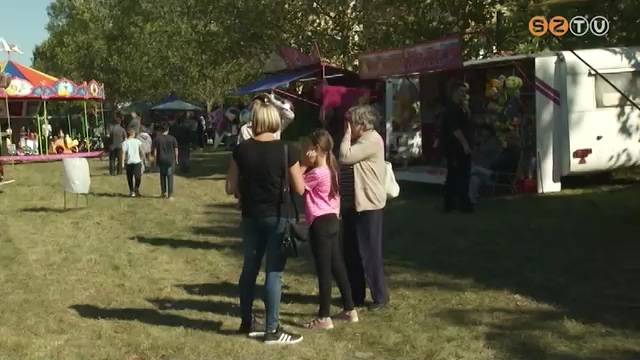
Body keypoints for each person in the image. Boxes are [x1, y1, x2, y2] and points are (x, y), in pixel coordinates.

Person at [225, 93, 305, 345]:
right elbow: (300, 188)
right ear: (275, 120)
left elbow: (230, 187)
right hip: (278, 215)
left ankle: (246, 321)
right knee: (274, 272)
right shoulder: (287, 149)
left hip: (250, 215)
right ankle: (272, 328)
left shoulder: (241, 150)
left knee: (249, 268)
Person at [301, 129, 358, 330]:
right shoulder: (332, 169)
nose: (306, 150)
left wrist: (303, 165)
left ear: (316, 149)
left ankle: (324, 316)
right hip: (333, 221)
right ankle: (350, 309)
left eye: (309, 147)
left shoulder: (316, 173)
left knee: (324, 271)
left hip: (320, 224)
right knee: (338, 266)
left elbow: (297, 186)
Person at [339, 105, 389, 312]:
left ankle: (380, 297)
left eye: (350, 122)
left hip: (368, 205)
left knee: (370, 252)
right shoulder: (359, 141)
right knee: (351, 252)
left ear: (361, 124)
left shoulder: (372, 139)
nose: (347, 126)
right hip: (351, 205)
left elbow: (344, 157)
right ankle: (355, 295)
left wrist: (345, 136)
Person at [442, 81, 474, 213]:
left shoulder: (462, 107)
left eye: (465, 92)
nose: (463, 94)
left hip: (462, 146)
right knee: (456, 176)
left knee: (462, 175)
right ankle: (454, 204)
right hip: (455, 148)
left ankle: (459, 203)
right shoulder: (451, 108)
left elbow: (467, 122)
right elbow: (455, 130)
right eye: (461, 92)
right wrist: (465, 145)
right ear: (455, 92)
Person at [469, 125, 502, 205]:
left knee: (474, 169)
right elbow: (473, 154)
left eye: (484, 131)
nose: (482, 132)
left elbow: (484, 150)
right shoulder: (482, 141)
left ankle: (489, 173)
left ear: (489, 132)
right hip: (481, 172)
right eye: (482, 131)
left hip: (489, 169)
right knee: (473, 179)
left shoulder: (493, 141)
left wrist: (479, 143)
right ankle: (473, 200)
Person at [153, 122, 179, 199]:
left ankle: (163, 192)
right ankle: (170, 195)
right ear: (168, 129)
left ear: (161, 130)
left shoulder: (157, 139)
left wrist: (155, 161)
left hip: (161, 159)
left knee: (162, 176)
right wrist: (176, 159)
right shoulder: (173, 138)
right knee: (170, 177)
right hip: (170, 160)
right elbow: (176, 150)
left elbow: (155, 152)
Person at [121, 128, 144, 197]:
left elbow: (123, 153)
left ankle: (132, 191)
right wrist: (143, 158)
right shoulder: (138, 141)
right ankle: (136, 189)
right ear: (133, 134)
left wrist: (122, 163)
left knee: (130, 178)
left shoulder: (125, 143)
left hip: (129, 162)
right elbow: (141, 150)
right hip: (137, 161)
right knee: (138, 177)